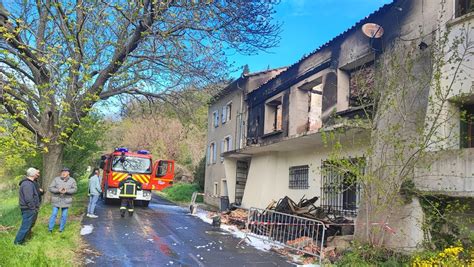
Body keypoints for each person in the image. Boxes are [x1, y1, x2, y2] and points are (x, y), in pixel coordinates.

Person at [14, 167, 41, 245]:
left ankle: (23, 240)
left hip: (29, 208)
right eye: (36, 173)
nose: (37, 174)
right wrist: (33, 208)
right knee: (25, 226)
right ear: (33, 174)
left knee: (28, 226)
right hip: (28, 209)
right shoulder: (27, 184)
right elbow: (28, 198)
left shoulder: (30, 183)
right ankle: (18, 242)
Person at [48, 167, 77, 233]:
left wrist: (67, 191)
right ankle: (50, 229)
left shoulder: (72, 180)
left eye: (65, 172)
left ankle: (61, 229)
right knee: (54, 214)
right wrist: (58, 190)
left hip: (66, 200)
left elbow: (75, 189)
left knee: (64, 215)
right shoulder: (56, 179)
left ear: (68, 173)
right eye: (62, 171)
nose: (63, 173)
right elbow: (51, 188)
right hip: (56, 200)